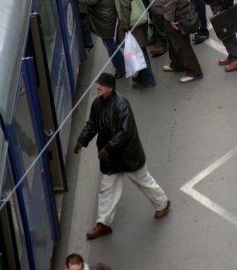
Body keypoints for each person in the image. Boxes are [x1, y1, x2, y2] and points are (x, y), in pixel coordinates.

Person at [73, 72, 170, 239]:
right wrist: (82, 139)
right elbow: (92, 124)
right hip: (112, 158)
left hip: (127, 156)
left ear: (110, 87)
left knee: (144, 181)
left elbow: (125, 132)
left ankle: (162, 203)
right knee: (107, 190)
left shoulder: (121, 104)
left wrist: (107, 149)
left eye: (101, 85)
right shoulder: (97, 104)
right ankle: (102, 224)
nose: (98, 87)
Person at [110, 0, 156, 88]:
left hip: (132, 20)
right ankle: (143, 76)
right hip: (141, 15)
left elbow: (125, 5)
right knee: (140, 47)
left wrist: (124, 25)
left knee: (139, 49)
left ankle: (148, 79)